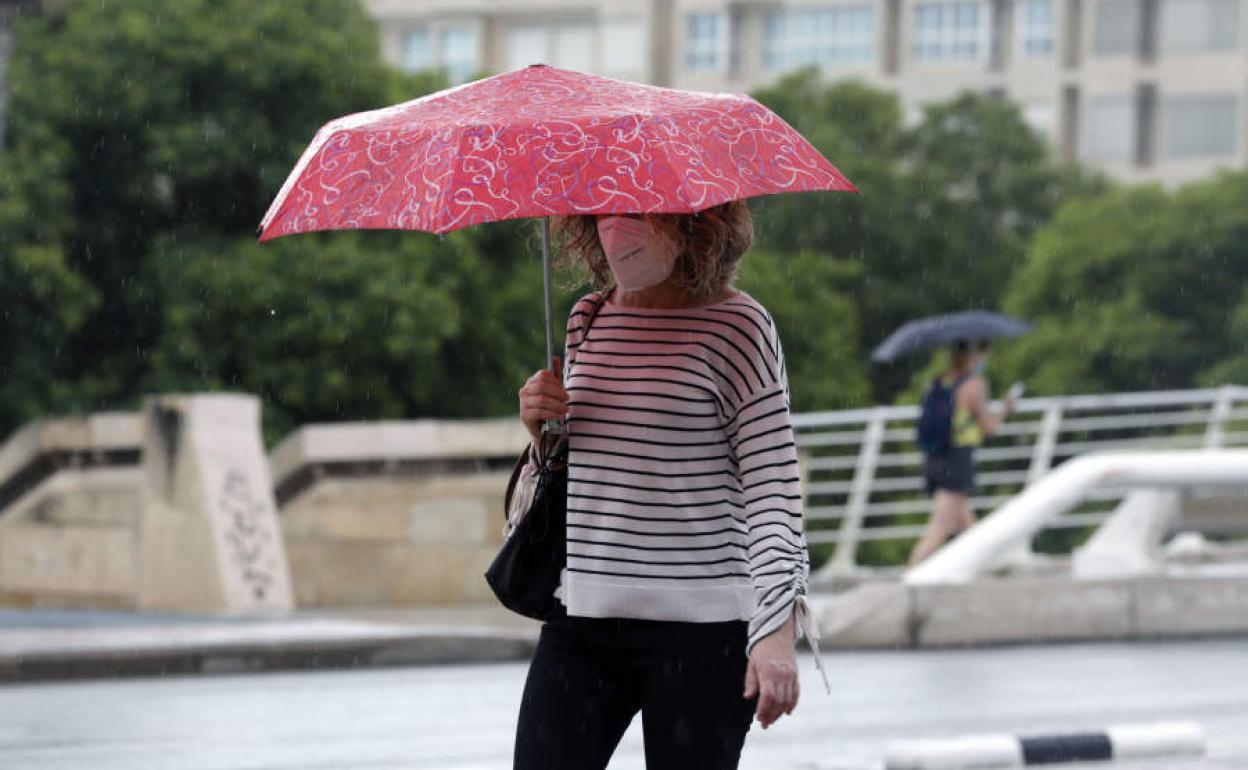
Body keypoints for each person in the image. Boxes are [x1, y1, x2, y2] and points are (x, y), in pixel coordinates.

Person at [514, 201, 818, 770]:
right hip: (583, 621)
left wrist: (775, 632)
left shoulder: (740, 327)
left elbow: (774, 494)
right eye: (604, 207)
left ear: (696, 222)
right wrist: (540, 431)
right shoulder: (586, 317)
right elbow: (580, 478)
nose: (617, 225)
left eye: (640, 211)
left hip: (703, 633)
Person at [908, 339, 1018, 567]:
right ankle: (910, 576)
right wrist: (1006, 408)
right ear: (973, 356)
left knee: (967, 525)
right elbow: (989, 428)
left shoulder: (937, 382)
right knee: (940, 526)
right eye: (982, 355)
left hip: (934, 459)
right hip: (957, 461)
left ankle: (982, 570)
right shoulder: (974, 384)